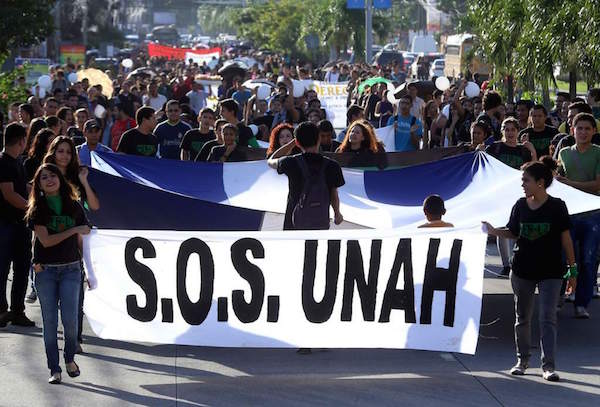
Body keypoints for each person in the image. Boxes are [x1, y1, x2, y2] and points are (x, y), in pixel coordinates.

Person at [482, 160, 576, 382]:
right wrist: (494, 231)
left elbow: (566, 238)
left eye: (526, 180)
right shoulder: (520, 205)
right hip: (522, 270)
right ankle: (522, 361)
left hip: (551, 271)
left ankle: (549, 366)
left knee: (548, 318)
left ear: (540, 182)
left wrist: (573, 270)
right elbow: (513, 232)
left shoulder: (557, 206)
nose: (522, 184)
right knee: (522, 317)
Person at [25, 163, 91, 384]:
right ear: (39, 185)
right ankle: (54, 369)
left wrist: (89, 270)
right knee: (50, 322)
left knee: (71, 322)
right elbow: (46, 241)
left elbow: (82, 240)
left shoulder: (74, 206)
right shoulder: (38, 209)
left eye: (53, 175)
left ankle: (69, 358)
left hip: (71, 269)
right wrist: (73, 229)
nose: (49, 180)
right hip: (45, 271)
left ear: (60, 180)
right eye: (44, 178)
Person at [556, 113, 600, 318]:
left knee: (588, 260)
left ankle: (581, 304)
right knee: (564, 258)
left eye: (587, 129)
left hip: (593, 215)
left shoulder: (598, 152)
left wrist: (569, 184)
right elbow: (557, 180)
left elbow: (597, 185)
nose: (583, 132)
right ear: (572, 130)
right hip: (569, 214)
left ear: (594, 131)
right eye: (579, 128)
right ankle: (559, 297)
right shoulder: (564, 153)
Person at [267, 121, 345, 231]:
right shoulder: (332, 165)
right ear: (319, 139)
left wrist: (293, 143)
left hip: (293, 222)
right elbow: (334, 194)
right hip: (320, 221)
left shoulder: (290, 162)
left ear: (297, 143)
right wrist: (337, 213)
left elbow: (271, 160)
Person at [0, 123, 36, 328]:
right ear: (22, 140)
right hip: (5, 225)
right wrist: (32, 208)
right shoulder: (3, 162)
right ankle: (1, 311)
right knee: (2, 270)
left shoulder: (18, 162)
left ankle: (17, 311)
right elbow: (9, 194)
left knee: (22, 269)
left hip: (20, 225)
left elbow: (23, 187)